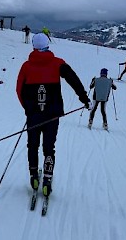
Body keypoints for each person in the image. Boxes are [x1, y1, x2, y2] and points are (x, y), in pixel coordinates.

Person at [16, 33, 91, 197]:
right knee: (49, 147)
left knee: (33, 145)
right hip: (52, 115)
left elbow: (19, 90)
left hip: (34, 115)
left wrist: (28, 108)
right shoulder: (58, 63)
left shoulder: (26, 66)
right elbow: (74, 80)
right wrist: (84, 99)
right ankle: (48, 179)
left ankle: (34, 176)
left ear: (34, 47)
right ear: (47, 45)